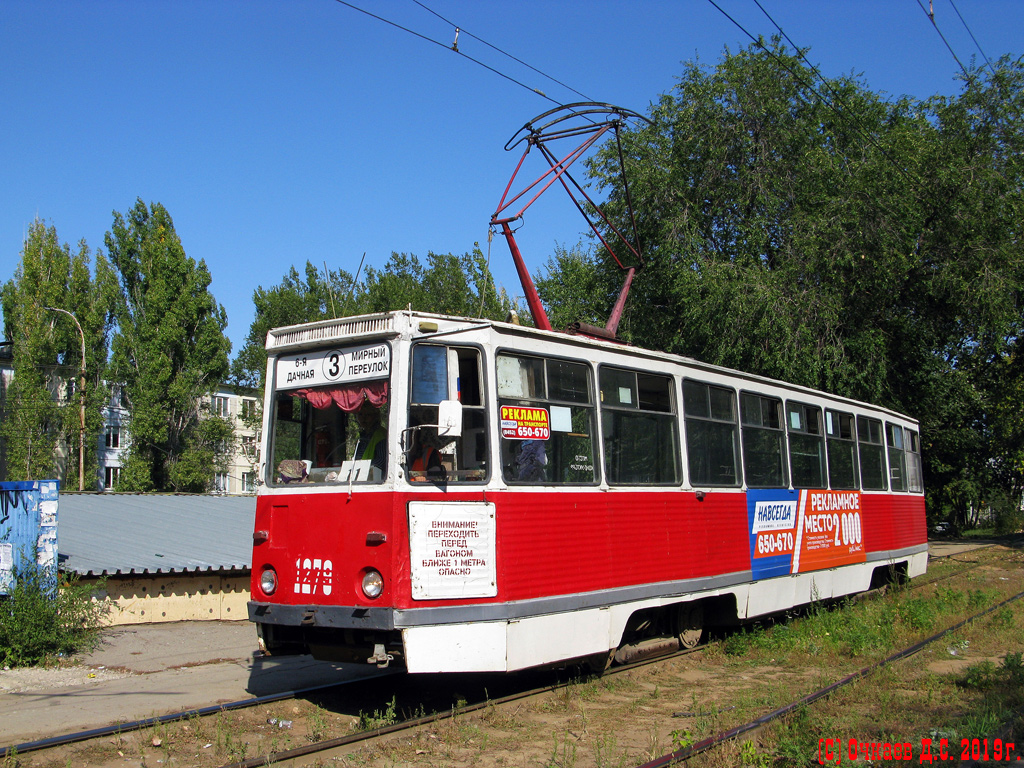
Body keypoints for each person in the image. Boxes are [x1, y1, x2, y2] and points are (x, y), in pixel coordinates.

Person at [353, 399, 387, 475]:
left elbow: (381, 462)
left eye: (368, 415)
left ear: (375, 416)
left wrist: (362, 468)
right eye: (361, 414)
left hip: (375, 479)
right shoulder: (363, 435)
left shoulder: (381, 435)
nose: (363, 418)